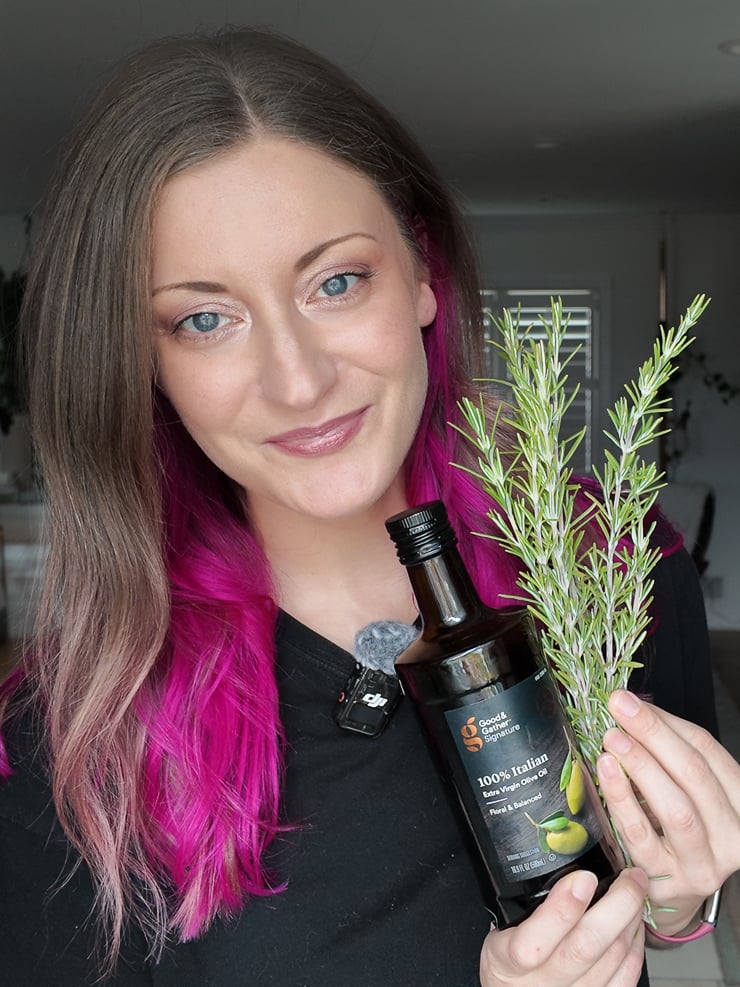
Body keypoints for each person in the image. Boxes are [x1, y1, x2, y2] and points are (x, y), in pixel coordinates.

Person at [0, 26, 738, 987]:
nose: (298, 380)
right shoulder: (70, 750)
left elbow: (667, 926)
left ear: (423, 276)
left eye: (336, 281)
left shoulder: (616, 566)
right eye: (206, 319)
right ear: (148, 364)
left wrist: (678, 904)